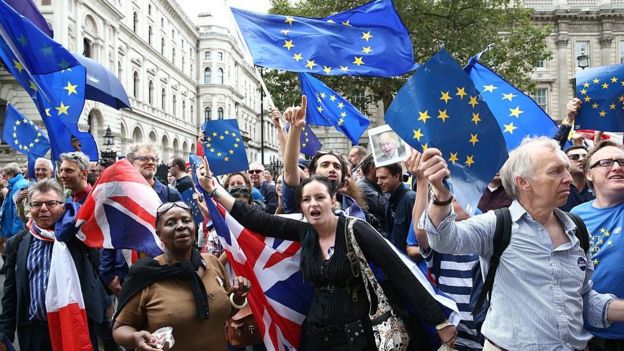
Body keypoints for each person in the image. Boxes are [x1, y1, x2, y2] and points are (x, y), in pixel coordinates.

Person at [198, 159, 458, 350]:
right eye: (306, 199)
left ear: (333, 200)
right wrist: (213, 189)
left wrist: (439, 321)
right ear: (300, 206)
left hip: (359, 338)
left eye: (320, 197)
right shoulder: (304, 232)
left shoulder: (357, 230)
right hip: (316, 338)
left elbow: (400, 273)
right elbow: (256, 219)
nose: (313, 204)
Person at [421, 137, 624, 350]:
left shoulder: (577, 228)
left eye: (566, 169)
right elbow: (443, 240)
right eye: (556, 171)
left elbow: (582, 298)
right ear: (523, 182)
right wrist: (441, 196)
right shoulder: (497, 225)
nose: (569, 178)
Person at [112, 201, 251, 351]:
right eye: (171, 223)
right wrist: (135, 338)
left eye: (186, 220)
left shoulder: (212, 263)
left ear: (194, 226)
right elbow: (120, 328)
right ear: (159, 234)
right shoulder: (145, 275)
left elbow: (221, 312)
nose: (181, 226)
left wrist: (238, 297)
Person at [0, 180, 109, 351]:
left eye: (51, 203)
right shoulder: (17, 243)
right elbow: (11, 292)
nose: (43, 209)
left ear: (63, 207)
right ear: (30, 208)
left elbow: (99, 279)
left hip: (76, 326)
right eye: (36, 204)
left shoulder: (79, 238)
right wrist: (4, 333)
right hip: (35, 332)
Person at [571, 141, 624, 351]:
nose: (617, 167)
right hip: (585, 335)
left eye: (622, 161)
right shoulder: (574, 216)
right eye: (606, 162)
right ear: (589, 174)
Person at [377, 162, 415, 253]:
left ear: (397, 176)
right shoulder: (389, 199)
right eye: (377, 178)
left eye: (383, 178)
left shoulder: (410, 199)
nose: (378, 182)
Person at [0, 163, 29, 272]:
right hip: (11, 229)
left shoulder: (19, 185)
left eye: (5, 176)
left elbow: (17, 212)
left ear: (11, 174)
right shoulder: (14, 185)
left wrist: (15, 233)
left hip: (15, 231)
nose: (4, 178)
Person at [561, 145, 594, 211]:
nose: (581, 159)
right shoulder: (558, 188)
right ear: (565, 162)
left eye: (585, 157)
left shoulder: (597, 188)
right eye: (575, 157)